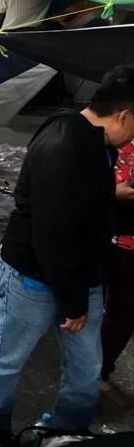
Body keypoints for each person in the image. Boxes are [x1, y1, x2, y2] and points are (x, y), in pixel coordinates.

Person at [0, 64, 134, 445]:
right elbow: (53, 234)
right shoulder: (65, 145)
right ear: (124, 115)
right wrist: (74, 302)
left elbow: (84, 207)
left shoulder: (96, 140)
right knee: (7, 361)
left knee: (86, 369)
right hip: (32, 276)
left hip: (82, 275)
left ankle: (67, 434)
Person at [98, 139, 134, 406]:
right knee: (116, 312)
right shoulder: (115, 134)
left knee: (121, 314)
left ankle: (97, 373)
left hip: (117, 239)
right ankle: (92, 378)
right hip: (109, 238)